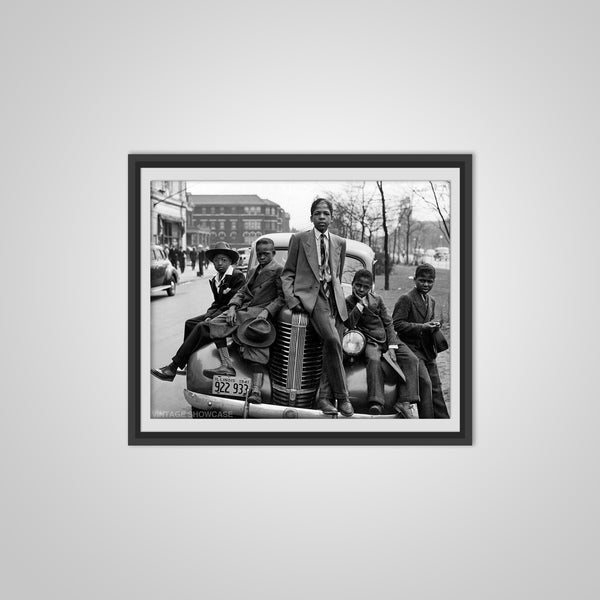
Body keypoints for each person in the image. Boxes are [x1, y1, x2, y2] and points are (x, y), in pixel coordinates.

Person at [152, 239, 284, 405]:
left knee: (254, 345)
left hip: (258, 314)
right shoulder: (253, 270)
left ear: (273, 253)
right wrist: (232, 307)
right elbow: (242, 292)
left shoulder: (278, 270)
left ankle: (256, 390)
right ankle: (226, 365)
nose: (262, 257)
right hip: (241, 311)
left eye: (266, 253)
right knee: (213, 324)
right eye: (259, 254)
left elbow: (281, 297)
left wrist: (266, 311)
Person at [280, 198, 353, 417]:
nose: (322, 217)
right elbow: (288, 273)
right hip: (313, 297)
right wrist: (293, 301)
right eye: (318, 213)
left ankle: (323, 398)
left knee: (331, 348)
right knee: (332, 340)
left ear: (331, 217)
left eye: (326, 213)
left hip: (335, 300)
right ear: (311, 217)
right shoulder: (300, 239)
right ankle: (343, 397)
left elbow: (337, 275)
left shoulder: (339, 242)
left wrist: (337, 294)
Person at [345, 269, 420, 417]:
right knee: (373, 360)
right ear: (352, 284)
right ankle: (376, 402)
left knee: (412, 359)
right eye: (358, 285)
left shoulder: (377, 299)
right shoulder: (348, 302)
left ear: (370, 287)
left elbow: (388, 323)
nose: (361, 289)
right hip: (369, 341)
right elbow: (349, 323)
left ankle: (405, 401)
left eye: (365, 287)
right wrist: (360, 306)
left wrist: (392, 345)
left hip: (387, 339)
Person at [392, 264, 450, 418]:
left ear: (434, 282)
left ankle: (443, 421)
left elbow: (427, 322)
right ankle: (427, 422)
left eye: (430, 281)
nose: (426, 284)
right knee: (426, 384)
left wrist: (433, 326)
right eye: (422, 280)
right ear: (415, 279)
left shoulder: (431, 301)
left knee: (436, 387)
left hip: (427, 350)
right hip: (410, 349)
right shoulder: (406, 299)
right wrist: (422, 326)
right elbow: (397, 324)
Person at [182, 242, 246, 340]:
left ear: (230, 261)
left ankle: (182, 355)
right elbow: (217, 302)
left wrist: (211, 318)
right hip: (218, 313)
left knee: (201, 326)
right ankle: (189, 353)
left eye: (223, 260)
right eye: (216, 260)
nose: (219, 263)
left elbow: (232, 304)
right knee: (189, 323)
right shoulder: (215, 280)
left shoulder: (237, 276)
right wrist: (208, 315)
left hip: (230, 315)